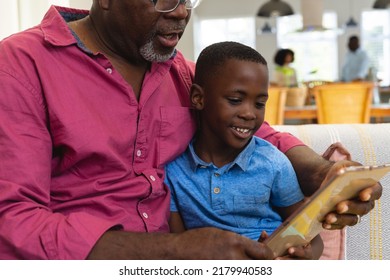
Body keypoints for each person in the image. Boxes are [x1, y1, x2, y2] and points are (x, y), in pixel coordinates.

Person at [0, 1, 382, 260]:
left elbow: (261, 133)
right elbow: (13, 219)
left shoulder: (180, 71)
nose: (181, 12)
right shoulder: (22, 65)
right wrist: (173, 251)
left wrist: (323, 175)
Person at [165, 41, 323, 259]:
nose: (249, 114)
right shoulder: (173, 171)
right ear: (198, 98)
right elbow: (178, 248)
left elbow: (311, 237)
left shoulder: (272, 163)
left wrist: (305, 255)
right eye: (235, 100)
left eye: (259, 104)